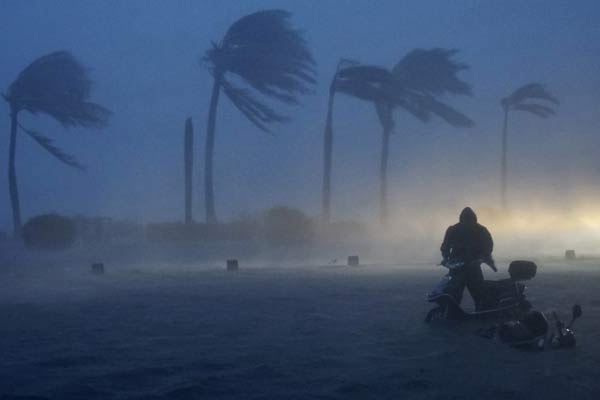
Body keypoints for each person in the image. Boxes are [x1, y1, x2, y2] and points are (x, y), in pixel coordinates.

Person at [440, 207, 496, 309]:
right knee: (454, 292)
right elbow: (446, 246)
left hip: (473, 266)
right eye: (466, 219)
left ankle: (482, 310)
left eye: (469, 219)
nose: (467, 222)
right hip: (457, 267)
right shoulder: (453, 229)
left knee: (478, 291)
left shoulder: (481, 230)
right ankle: (452, 311)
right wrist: (445, 257)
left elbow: (488, 246)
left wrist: (481, 258)